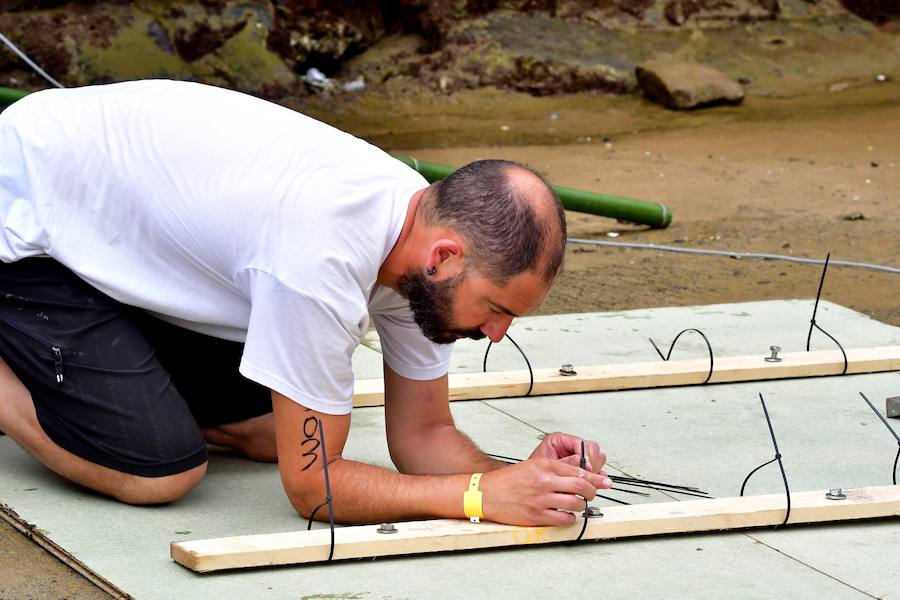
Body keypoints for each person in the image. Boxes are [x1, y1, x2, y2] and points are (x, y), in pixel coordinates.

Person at [0, 79, 612, 526]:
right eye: (496, 306)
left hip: (108, 225)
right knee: (159, 471)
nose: (498, 332)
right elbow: (315, 488)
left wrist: (515, 478)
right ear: (446, 257)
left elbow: (423, 433)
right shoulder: (320, 257)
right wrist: (479, 499)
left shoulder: (421, 244)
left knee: (275, 432)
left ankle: (112, 390)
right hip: (27, 217)